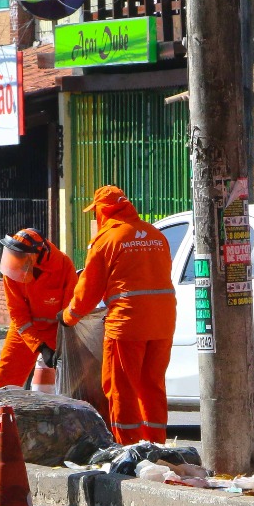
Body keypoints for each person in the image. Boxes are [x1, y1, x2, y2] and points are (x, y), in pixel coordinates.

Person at [62, 186, 176, 444]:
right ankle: (156, 445)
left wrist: (68, 317)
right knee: (152, 386)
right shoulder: (155, 234)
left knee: (120, 388)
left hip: (127, 324)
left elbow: (88, 291)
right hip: (163, 323)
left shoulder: (107, 240)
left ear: (103, 211)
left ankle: (129, 448)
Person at [0, 228, 77, 392]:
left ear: (37, 253)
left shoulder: (63, 265)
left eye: (20, 256)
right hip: (26, 328)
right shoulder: (12, 269)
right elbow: (17, 314)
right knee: (2, 381)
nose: (15, 260)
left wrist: (62, 344)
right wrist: (40, 346)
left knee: (74, 381)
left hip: (57, 330)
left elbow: (70, 311)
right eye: (13, 254)